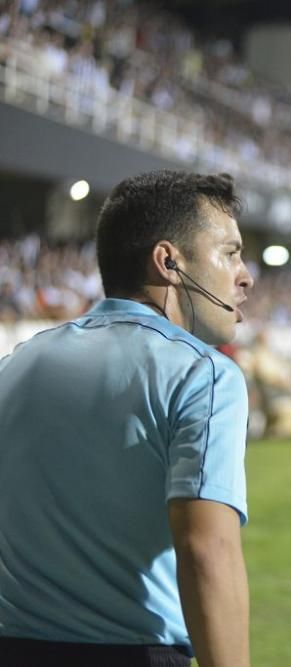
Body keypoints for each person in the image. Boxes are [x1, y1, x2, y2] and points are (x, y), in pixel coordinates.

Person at [0, 170, 254, 667]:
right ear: (169, 262)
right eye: (229, 252)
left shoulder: (17, 363)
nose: (245, 275)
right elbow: (207, 552)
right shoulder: (204, 375)